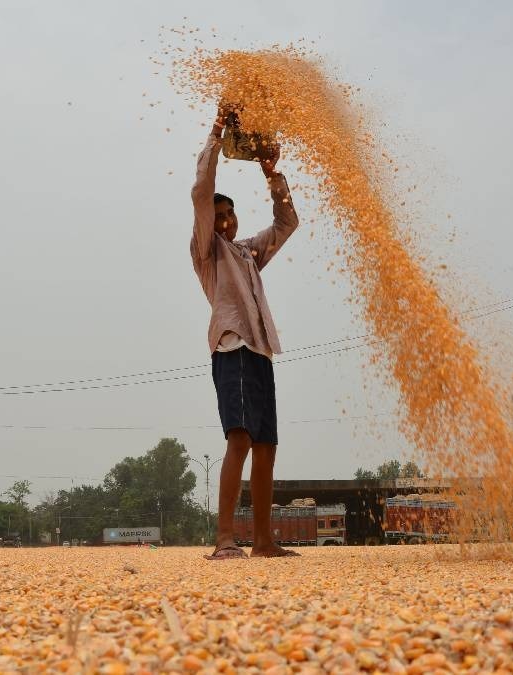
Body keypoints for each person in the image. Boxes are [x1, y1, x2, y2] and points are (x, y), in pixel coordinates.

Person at [190, 108, 300, 559]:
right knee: (239, 438)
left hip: (259, 351)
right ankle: (224, 538)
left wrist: (272, 174)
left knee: (266, 445)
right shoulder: (207, 251)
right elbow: (201, 190)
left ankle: (263, 541)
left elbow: (287, 224)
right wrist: (217, 131)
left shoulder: (247, 254)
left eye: (230, 214)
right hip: (232, 347)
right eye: (218, 215)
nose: (225, 221)